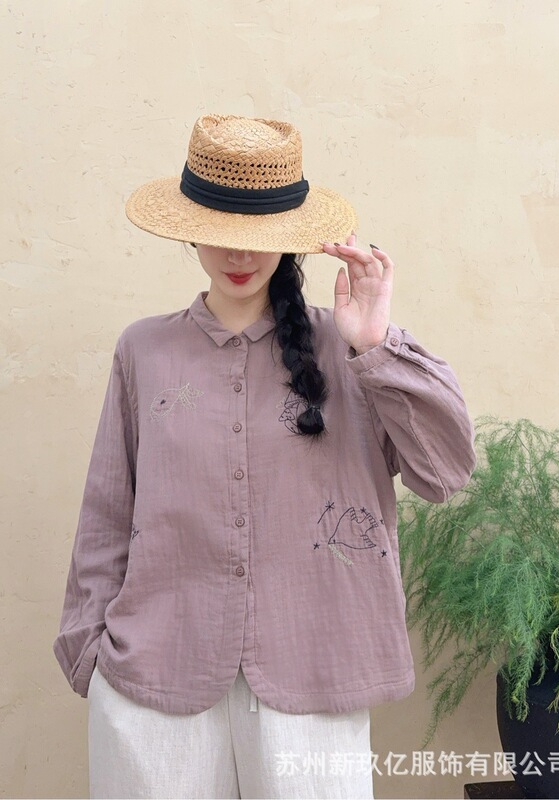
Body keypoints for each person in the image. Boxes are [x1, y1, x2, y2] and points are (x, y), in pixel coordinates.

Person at [53, 113, 477, 799]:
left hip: (313, 678)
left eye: (257, 232)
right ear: (189, 228)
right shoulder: (144, 350)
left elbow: (445, 472)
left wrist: (375, 346)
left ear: (289, 235)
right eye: (218, 228)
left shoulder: (349, 348)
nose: (238, 253)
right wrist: (90, 654)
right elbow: (107, 511)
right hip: (154, 683)